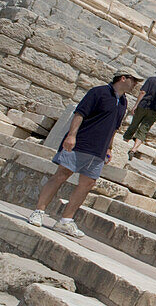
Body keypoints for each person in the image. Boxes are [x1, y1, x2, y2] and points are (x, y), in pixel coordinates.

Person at [29, 72, 140, 237]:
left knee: (88, 184)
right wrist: (71, 135)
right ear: (123, 78)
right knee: (62, 175)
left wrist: (109, 148)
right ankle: (39, 211)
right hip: (81, 142)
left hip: (99, 150)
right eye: (134, 80)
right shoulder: (98, 92)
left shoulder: (123, 102)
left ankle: (66, 220)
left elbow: (115, 127)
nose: (136, 85)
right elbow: (80, 113)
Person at [123, 64, 156, 161]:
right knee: (144, 129)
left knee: (134, 124)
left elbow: (143, 92)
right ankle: (134, 149)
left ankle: (124, 143)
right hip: (155, 110)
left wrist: (135, 105)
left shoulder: (151, 80)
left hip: (144, 105)